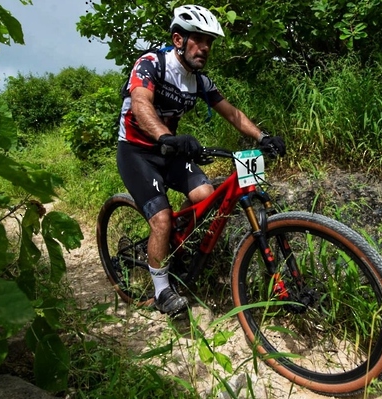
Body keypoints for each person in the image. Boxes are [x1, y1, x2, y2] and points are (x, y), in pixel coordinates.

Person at [116, 4, 286, 317]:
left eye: (210, 42)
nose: (206, 47)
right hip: (137, 151)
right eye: (199, 39)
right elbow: (141, 105)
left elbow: (233, 114)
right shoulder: (151, 64)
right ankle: (161, 290)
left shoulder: (200, 82)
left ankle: (173, 244)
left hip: (170, 151)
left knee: (205, 196)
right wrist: (166, 136)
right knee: (162, 219)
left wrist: (263, 138)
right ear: (179, 39)